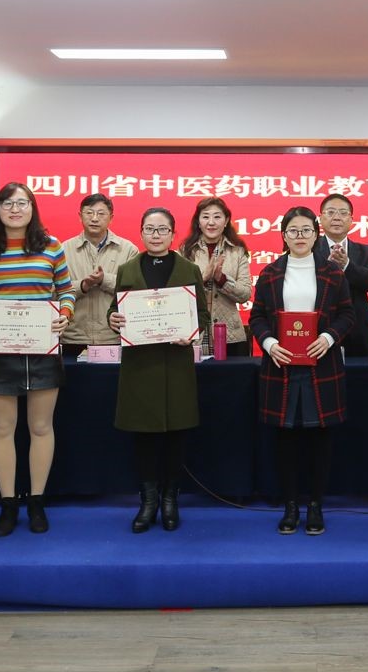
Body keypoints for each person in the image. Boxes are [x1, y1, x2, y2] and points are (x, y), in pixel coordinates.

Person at [0, 183, 75, 537]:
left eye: (22, 203)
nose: (15, 209)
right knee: (2, 428)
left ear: (32, 208)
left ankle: (37, 501)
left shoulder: (51, 246)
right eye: (7, 203)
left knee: (41, 427)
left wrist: (65, 315)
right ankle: (8, 504)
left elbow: (66, 291)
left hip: (42, 349)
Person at [250, 206, 355, 536]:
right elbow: (257, 317)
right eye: (293, 231)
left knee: (319, 440)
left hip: (321, 365)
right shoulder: (270, 273)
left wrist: (328, 338)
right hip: (281, 365)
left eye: (306, 230)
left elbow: (347, 315)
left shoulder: (332, 273)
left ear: (316, 234)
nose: (299, 236)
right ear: (284, 235)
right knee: (286, 441)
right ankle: (291, 506)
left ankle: (315, 505)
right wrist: (269, 344)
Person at [108, 207, 209, 533]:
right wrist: (114, 319)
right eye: (150, 229)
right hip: (140, 366)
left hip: (176, 364)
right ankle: (148, 500)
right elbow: (114, 311)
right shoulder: (126, 269)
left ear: (173, 234)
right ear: (141, 232)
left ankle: (169, 499)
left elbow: (202, 314)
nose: (156, 235)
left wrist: (191, 331)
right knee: (144, 436)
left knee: (176, 435)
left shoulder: (189, 269)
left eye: (162, 229)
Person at [60, 193, 138, 355]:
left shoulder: (128, 249)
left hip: (113, 337)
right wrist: (83, 285)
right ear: (80, 216)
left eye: (101, 213)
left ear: (111, 218)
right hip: (73, 337)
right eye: (89, 213)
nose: (94, 218)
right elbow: (55, 291)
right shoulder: (63, 249)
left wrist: (104, 280)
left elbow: (134, 291)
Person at [178, 196, 253, 357]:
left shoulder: (237, 251)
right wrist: (203, 278)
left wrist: (222, 280)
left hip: (230, 336)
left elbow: (245, 294)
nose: (211, 222)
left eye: (217, 217)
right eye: (205, 217)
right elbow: (179, 295)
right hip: (194, 335)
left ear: (226, 221)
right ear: (198, 222)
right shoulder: (186, 251)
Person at [314, 193, 368, 359]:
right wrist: (327, 269)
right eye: (331, 212)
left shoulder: (365, 251)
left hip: (359, 330)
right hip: (320, 330)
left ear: (351, 220)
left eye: (343, 213)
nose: (337, 217)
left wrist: (347, 265)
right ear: (320, 218)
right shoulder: (310, 250)